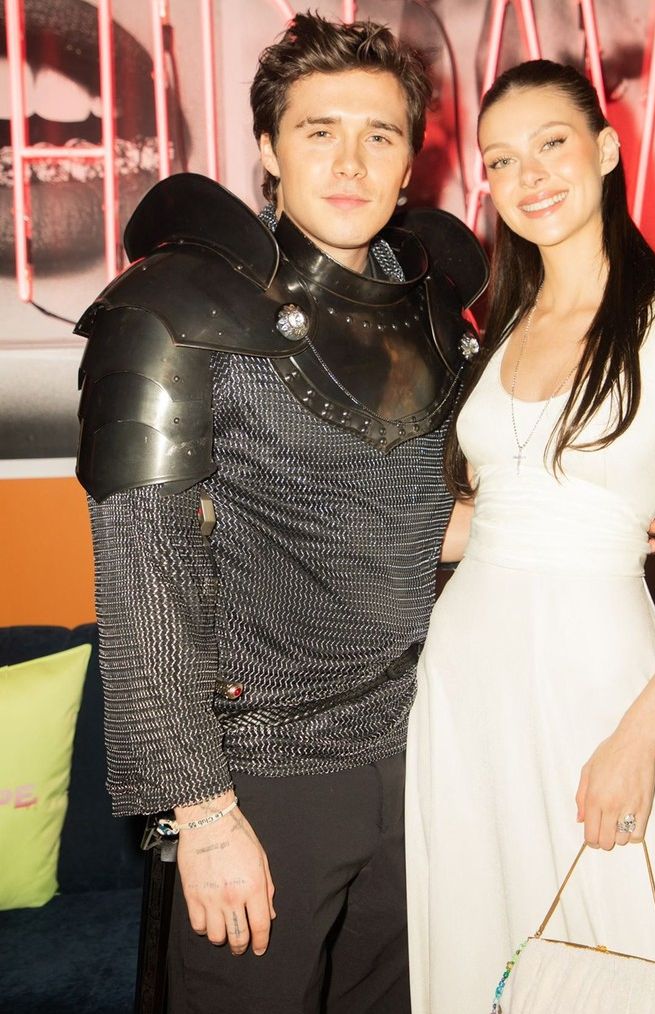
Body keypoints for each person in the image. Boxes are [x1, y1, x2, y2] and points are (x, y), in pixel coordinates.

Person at [74, 13, 490, 1014]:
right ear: (268, 147)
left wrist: (581, 525)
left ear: (411, 163)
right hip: (259, 775)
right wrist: (202, 814)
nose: (349, 162)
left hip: (425, 752)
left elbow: (425, 521)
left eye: (379, 135)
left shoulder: (439, 312)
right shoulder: (178, 309)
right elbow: (145, 573)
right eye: (318, 131)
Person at [405, 59, 655, 1014]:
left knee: (622, 958)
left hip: (600, 690)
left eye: (552, 144)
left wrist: (640, 738)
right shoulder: (500, 328)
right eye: (502, 160)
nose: (528, 176)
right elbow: (483, 524)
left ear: (607, 150)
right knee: (485, 948)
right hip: (464, 690)